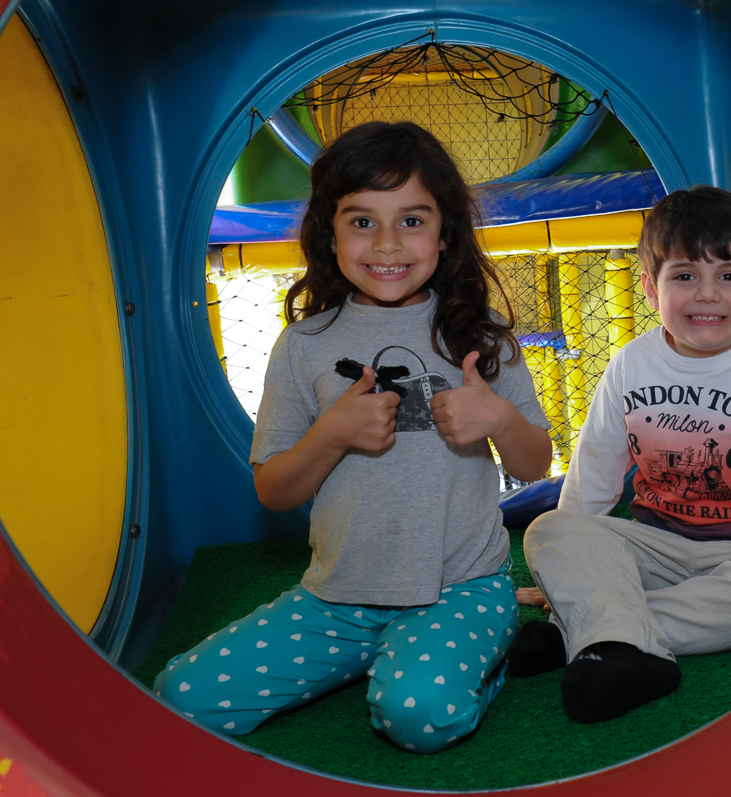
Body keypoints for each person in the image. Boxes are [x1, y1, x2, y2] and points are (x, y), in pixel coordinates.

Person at [155, 121, 552, 753]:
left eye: (412, 220)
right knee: (182, 698)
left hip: (459, 591)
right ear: (329, 232)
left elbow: (535, 464)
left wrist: (500, 420)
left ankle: (473, 658)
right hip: (337, 598)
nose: (388, 243)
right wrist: (332, 434)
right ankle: (376, 653)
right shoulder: (304, 344)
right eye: (362, 221)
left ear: (445, 233)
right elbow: (275, 491)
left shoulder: (481, 333)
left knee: (419, 716)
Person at [510, 186, 731, 723]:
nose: (707, 295)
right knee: (551, 530)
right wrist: (563, 573)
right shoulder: (630, 365)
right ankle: (606, 631)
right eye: (683, 276)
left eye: (729, 276)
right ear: (650, 290)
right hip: (655, 550)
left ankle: (584, 633)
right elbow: (594, 477)